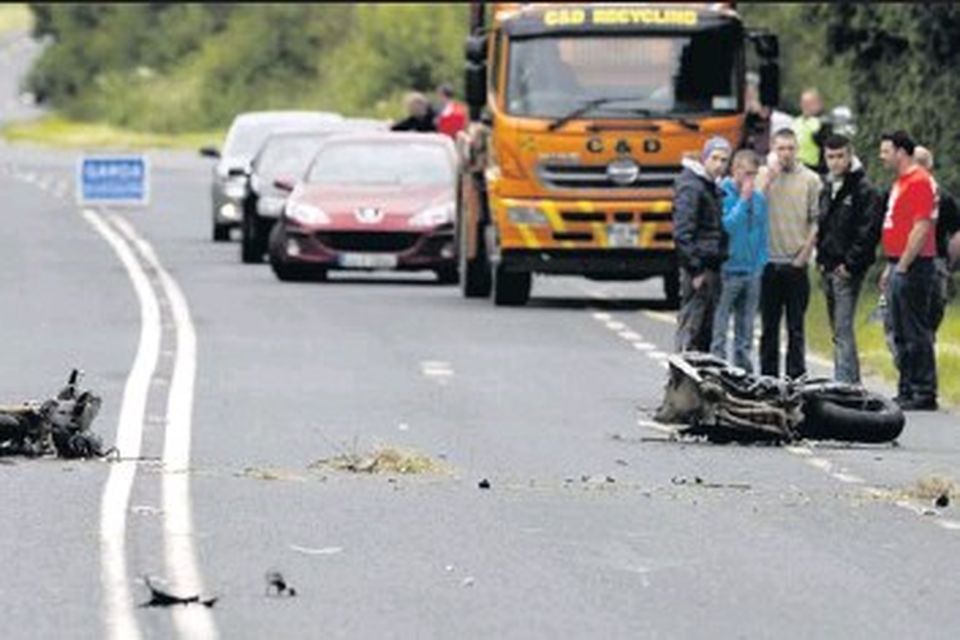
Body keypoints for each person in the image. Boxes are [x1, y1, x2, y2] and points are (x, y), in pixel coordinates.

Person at [878, 131, 939, 411]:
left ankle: (923, 389)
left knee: (915, 329)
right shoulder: (901, 182)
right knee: (899, 329)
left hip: (914, 265)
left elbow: (921, 226)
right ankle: (906, 386)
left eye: (886, 151)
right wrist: (891, 266)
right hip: (897, 262)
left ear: (901, 152)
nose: (882, 156)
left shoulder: (919, 182)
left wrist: (902, 264)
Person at [816, 134, 882, 384]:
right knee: (837, 328)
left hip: (847, 268)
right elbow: (824, 226)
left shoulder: (863, 188)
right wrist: (822, 258)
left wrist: (851, 264)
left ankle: (845, 384)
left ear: (850, 154)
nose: (835, 162)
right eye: (830, 156)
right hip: (828, 265)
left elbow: (868, 231)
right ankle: (849, 381)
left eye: (840, 156)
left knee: (843, 329)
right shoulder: (827, 186)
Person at [758, 128, 822, 379]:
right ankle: (768, 376)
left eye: (790, 148)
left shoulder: (810, 179)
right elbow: (753, 205)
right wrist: (769, 179)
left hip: (796, 260)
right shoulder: (765, 176)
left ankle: (796, 375)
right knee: (768, 326)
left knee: (796, 326)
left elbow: (817, 220)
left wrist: (804, 254)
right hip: (768, 262)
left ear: (797, 150)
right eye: (780, 148)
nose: (785, 154)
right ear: (773, 150)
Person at [710, 149, 769, 371]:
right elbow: (727, 227)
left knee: (746, 330)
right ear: (735, 171)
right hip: (728, 270)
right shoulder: (722, 194)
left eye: (754, 175)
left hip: (751, 270)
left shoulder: (760, 199)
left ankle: (744, 372)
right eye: (746, 174)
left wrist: (761, 263)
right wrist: (743, 201)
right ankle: (718, 371)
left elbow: (763, 232)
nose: (750, 180)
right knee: (721, 327)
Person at [673, 136, 731, 353]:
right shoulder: (692, 187)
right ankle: (683, 379)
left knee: (705, 330)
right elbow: (682, 232)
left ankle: (697, 378)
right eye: (715, 158)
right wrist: (695, 268)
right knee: (691, 327)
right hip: (699, 267)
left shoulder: (709, 186)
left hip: (711, 264)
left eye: (724, 160)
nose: (719, 164)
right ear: (705, 158)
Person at [913, 146, 960, 335]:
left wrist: (950, 263)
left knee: (927, 318)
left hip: (932, 261)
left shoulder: (943, 198)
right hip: (932, 262)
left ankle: (920, 356)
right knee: (926, 319)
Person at [792, 88, 830, 173]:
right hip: (796, 167)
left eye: (810, 103)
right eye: (804, 103)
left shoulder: (824, 122)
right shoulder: (795, 122)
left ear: (819, 104)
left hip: (815, 169)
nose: (806, 106)